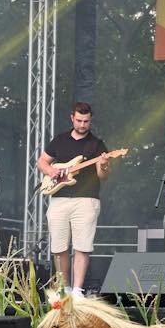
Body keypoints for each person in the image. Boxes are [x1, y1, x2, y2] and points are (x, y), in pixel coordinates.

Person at [37, 102, 110, 297]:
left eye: (86, 121)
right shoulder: (60, 140)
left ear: (90, 120)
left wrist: (103, 164)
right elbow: (41, 161)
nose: (82, 125)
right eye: (79, 120)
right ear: (72, 118)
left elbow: (103, 176)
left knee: (82, 246)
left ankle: (77, 290)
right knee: (59, 247)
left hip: (86, 199)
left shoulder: (97, 144)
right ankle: (65, 288)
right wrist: (51, 171)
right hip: (59, 198)